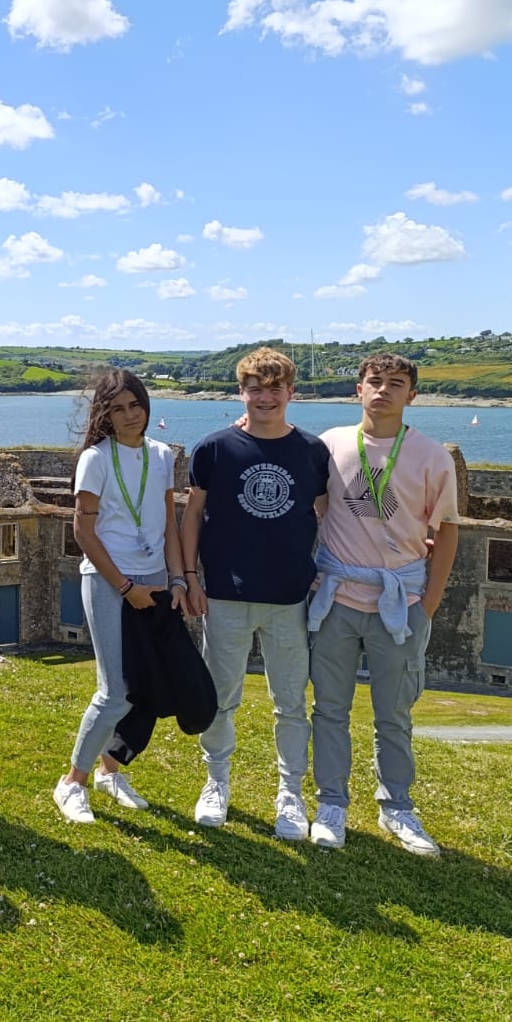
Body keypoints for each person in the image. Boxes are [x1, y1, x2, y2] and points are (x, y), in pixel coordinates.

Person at [308, 353, 459, 855]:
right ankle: (331, 803)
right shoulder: (329, 444)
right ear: (358, 389)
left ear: (413, 394)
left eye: (397, 383)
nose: (384, 391)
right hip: (338, 597)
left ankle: (397, 807)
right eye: (375, 381)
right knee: (329, 708)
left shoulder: (432, 456)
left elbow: (448, 530)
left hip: (402, 601)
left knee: (393, 715)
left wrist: (428, 605)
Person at [181, 347, 328, 840]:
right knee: (222, 699)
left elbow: (329, 515)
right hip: (224, 593)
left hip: (288, 598)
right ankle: (215, 782)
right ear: (241, 392)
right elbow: (192, 515)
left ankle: (290, 795)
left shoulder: (312, 451)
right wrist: (189, 576)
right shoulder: (214, 449)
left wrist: (324, 567)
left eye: (275, 387)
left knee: (290, 703)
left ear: (291, 391)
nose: (265, 397)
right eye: (255, 388)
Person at [53, 370, 190, 824]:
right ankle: (73, 782)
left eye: (136, 405)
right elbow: (83, 531)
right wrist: (126, 588)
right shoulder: (95, 459)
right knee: (114, 692)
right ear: (105, 415)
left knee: (146, 686)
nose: (130, 415)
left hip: (154, 575)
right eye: (118, 409)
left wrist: (178, 580)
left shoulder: (162, 454)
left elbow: (169, 524)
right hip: (108, 579)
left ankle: (111, 771)